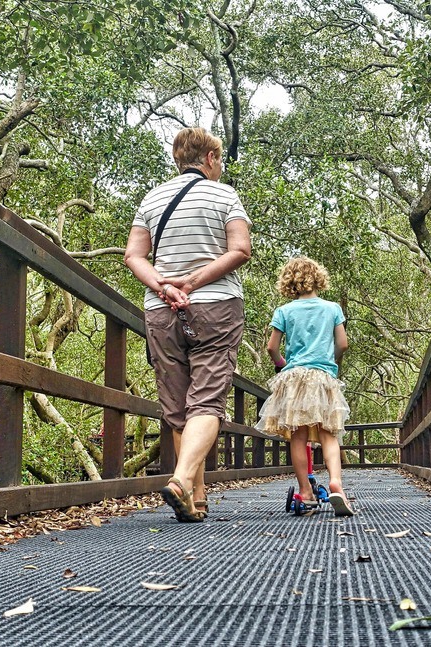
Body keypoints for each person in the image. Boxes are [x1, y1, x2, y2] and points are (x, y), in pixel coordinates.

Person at [124, 127, 251, 523]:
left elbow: (133, 256)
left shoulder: (152, 198)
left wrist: (164, 286)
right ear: (210, 159)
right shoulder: (224, 194)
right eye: (220, 160)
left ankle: (197, 498)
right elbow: (240, 250)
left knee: (178, 405)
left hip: (161, 312)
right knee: (207, 401)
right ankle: (181, 481)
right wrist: (191, 284)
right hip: (214, 306)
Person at [256, 257, 353, 516]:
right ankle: (336, 484)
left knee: (298, 436)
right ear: (319, 278)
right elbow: (342, 344)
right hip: (322, 376)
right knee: (329, 434)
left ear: (289, 282)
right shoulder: (332, 308)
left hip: (294, 377)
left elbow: (271, 348)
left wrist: (281, 362)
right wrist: (329, 362)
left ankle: (306, 492)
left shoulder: (284, 312)